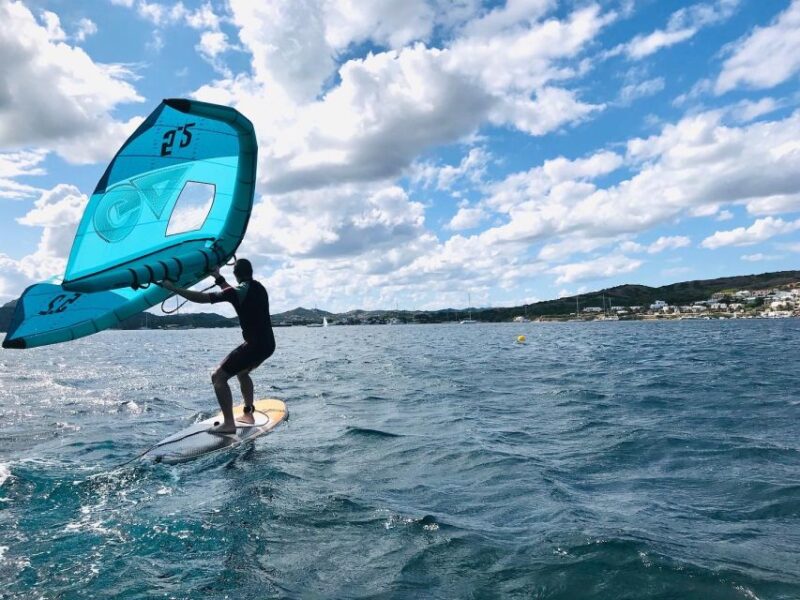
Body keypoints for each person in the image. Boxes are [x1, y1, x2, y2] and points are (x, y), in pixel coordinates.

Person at [159, 258, 276, 434]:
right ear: (250, 272)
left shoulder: (239, 291)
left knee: (218, 378)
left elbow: (201, 298)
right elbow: (232, 292)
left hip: (255, 345)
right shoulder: (258, 287)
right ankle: (248, 412)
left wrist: (173, 288)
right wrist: (218, 277)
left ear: (236, 275)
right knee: (242, 372)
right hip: (268, 344)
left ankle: (229, 424)